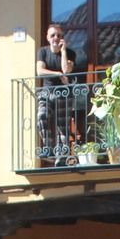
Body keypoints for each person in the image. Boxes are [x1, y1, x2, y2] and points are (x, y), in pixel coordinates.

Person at [35, 23, 88, 163]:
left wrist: (63, 51)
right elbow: (40, 71)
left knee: (63, 125)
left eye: (59, 35)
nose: (56, 38)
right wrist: (57, 74)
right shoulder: (43, 52)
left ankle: (61, 155)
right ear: (48, 37)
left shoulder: (71, 53)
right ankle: (49, 148)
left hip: (64, 93)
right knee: (42, 116)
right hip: (47, 92)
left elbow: (67, 70)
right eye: (53, 35)